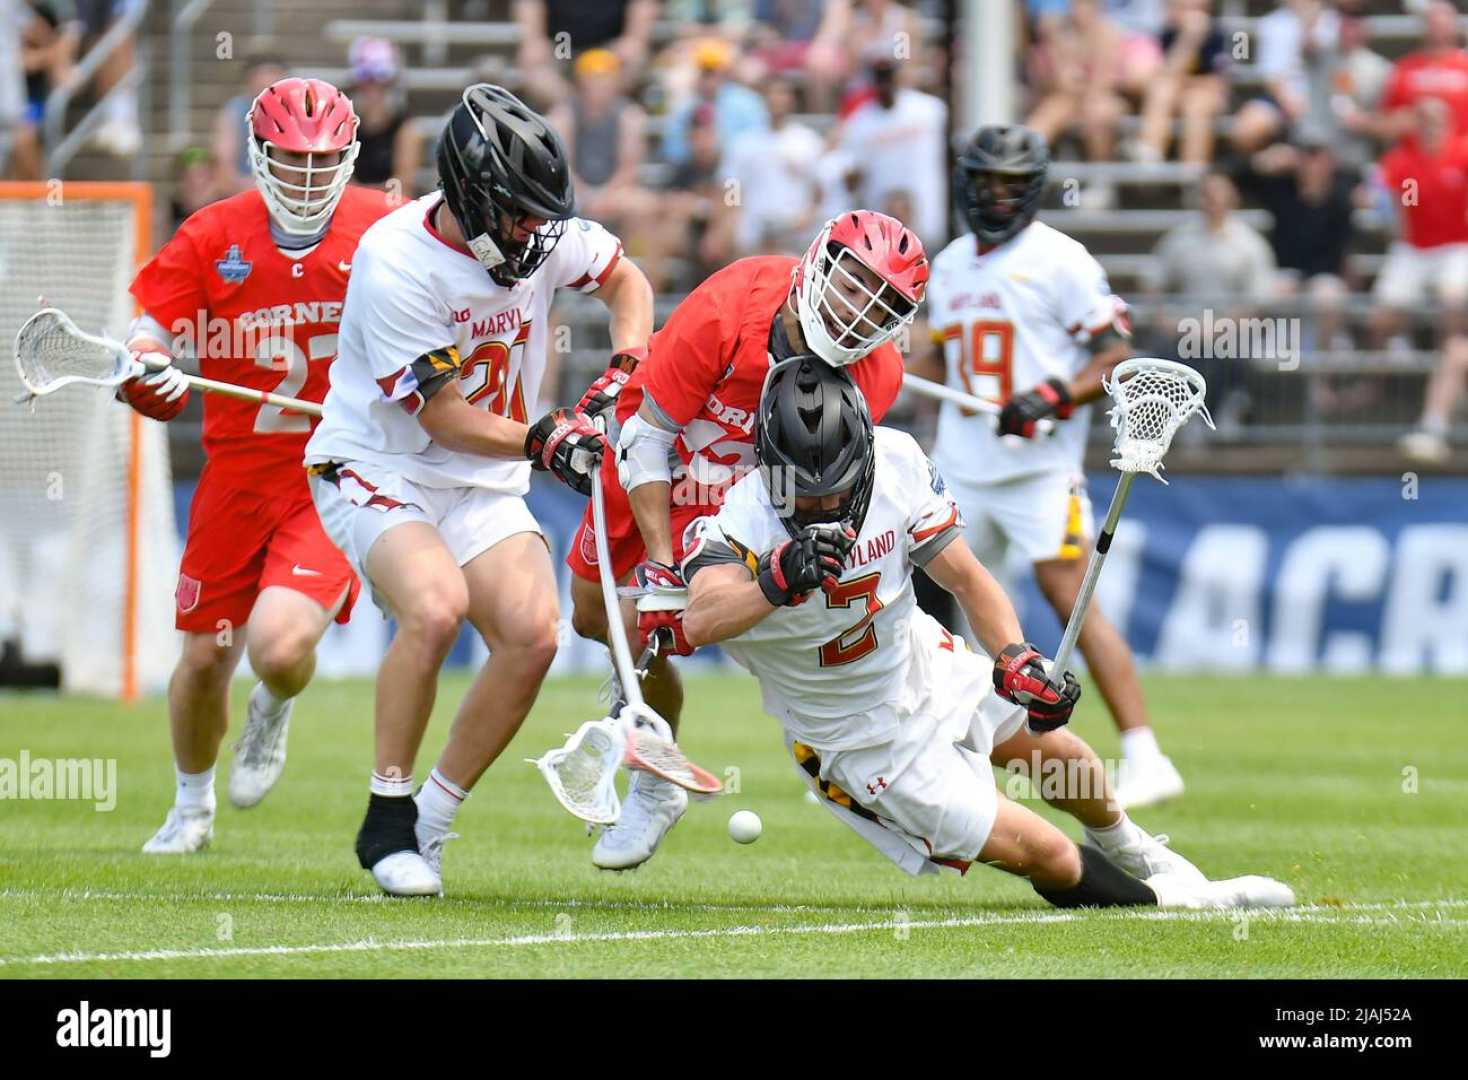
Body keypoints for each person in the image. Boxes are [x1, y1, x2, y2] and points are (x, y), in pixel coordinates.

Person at [679, 357, 1296, 911]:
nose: (823, 504)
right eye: (807, 491)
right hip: (853, 740)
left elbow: (969, 579)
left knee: (1069, 762)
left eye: (837, 484)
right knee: (1048, 857)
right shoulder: (740, 520)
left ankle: (1138, 852)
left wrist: (1013, 657)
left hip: (921, 662)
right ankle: (1178, 902)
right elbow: (700, 618)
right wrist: (776, 581)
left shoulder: (898, 463)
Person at [304, 85, 654, 897]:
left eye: (544, 216)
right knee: (434, 607)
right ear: (470, 197)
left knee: (533, 634)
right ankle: (385, 817)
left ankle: (429, 820)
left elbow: (626, 281)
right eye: (520, 217)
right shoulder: (396, 262)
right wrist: (544, 438)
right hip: (381, 466)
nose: (538, 235)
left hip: (481, 476)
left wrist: (624, 372)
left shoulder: (538, 230)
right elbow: (446, 416)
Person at [566, 209, 928, 871]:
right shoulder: (730, 307)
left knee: (662, 628)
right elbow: (648, 439)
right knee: (594, 617)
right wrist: (663, 568)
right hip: (662, 451)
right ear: (817, 264)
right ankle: (644, 704)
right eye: (852, 287)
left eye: (881, 309)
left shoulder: (877, 376)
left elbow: (825, 479)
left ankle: (656, 780)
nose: (856, 316)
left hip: (750, 490)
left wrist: (725, 577)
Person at [118, 78, 396, 854]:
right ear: (257, 153)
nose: (307, 176)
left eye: (323, 160)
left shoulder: (385, 226)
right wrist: (149, 365)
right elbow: (149, 329)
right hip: (235, 478)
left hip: (332, 473)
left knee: (276, 646)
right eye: (290, 158)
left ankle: (275, 704)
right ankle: (191, 805)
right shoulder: (213, 234)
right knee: (205, 658)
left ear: (348, 159)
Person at [914, 124, 1182, 811]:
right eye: (986, 183)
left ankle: (1146, 751)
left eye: (1011, 185)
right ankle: (960, 749)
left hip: (1037, 468)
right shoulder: (947, 265)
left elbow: (1115, 354)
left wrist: (1053, 394)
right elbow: (941, 358)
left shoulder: (1061, 259)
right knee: (946, 608)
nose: (997, 197)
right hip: (962, 466)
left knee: (1068, 597)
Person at [837, 52, 948, 251]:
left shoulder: (930, 110)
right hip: (882, 228)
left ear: (898, 76)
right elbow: (852, 176)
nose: (884, 83)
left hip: (927, 219)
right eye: (879, 77)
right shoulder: (859, 122)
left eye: (888, 76)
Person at [346, 36, 418, 198]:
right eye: (367, 79)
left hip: (391, 212)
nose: (373, 88)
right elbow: (339, 185)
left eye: (380, 80)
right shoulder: (344, 125)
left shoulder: (406, 127)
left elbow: (402, 186)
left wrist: (359, 193)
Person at [214, 54, 288, 196]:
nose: (269, 80)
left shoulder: (293, 111)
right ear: (250, 80)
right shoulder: (234, 111)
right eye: (264, 74)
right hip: (247, 192)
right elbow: (223, 171)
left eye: (274, 73)